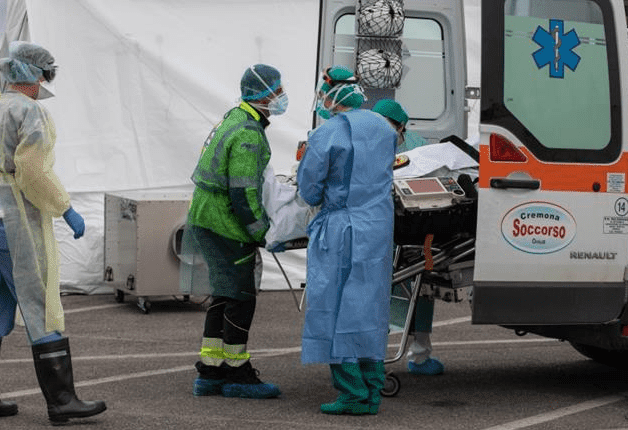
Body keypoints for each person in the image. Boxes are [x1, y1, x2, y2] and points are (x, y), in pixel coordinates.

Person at [0, 41, 106, 423]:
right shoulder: (31, 112)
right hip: (9, 220)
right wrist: (65, 208)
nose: (44, 83)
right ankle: (62, 401)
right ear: (35, 75)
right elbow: (33, 171)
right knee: (40, 304)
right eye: (45, 75)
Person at [297, 66, 398, 415]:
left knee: (335, 307)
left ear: (331, 95)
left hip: (341, 228)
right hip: (377, 228)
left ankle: (352, 393)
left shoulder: (326, 134)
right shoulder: (384, 128)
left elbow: (309, 190)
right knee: (368, 306)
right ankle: (372, 389)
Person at [186, 64, 286, 400]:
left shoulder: (233, 118)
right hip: (224, 223)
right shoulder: (248, 133)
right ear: (263, 94)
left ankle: (211, 370)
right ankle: (237, 372)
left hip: (206, 217)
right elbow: (242, 191)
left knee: (224, 293)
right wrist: (261, 232)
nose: (281, 97)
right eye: (277, 91)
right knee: (240, 297)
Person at [372, 99, 445, 376]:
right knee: (388, 294)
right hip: (390, 229)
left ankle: (418, 354)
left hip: (408, 228)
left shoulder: (416, 146)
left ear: (401, 127)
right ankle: (386, 358)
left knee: (418, 290)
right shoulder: (372, 143)